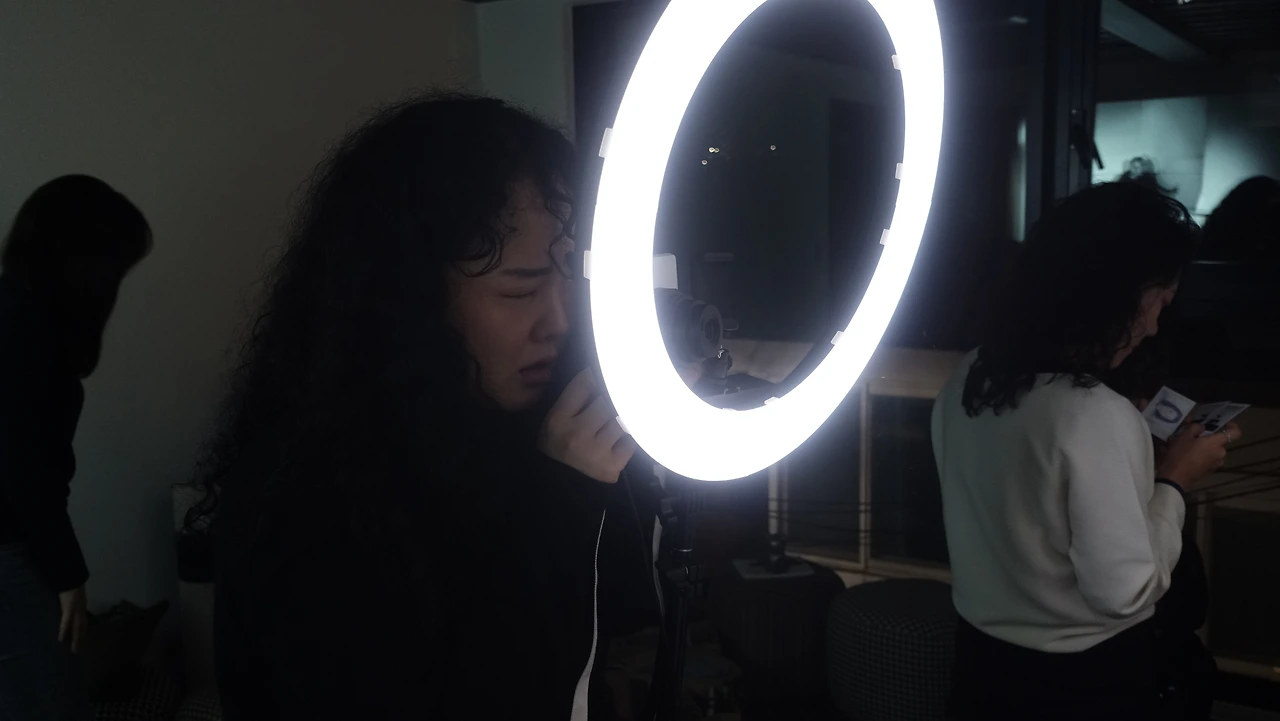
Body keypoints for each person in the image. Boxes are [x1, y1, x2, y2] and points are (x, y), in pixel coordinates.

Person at [192, 94, 660, 720]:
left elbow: (622, 627)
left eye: (572, 278)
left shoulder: (525, 430)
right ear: (409, 299)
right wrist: (562, 502)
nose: (560, 321)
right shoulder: (305, 499)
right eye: (519, 289)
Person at [931, 182, 1240, 719]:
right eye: (1158, 302)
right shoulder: (1092, 413)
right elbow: (1125, 592)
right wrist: (1174, 480)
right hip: (1080, 682)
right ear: (1114, 296)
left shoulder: (972, 374)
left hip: (981, 662)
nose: (1153, 327)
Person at [0, 175, 152, 720]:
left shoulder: (15, 312)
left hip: (16, 545)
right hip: (11, 550)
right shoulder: (22, 325)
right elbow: (23, 468)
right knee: (48, 700)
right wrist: (69, 577)